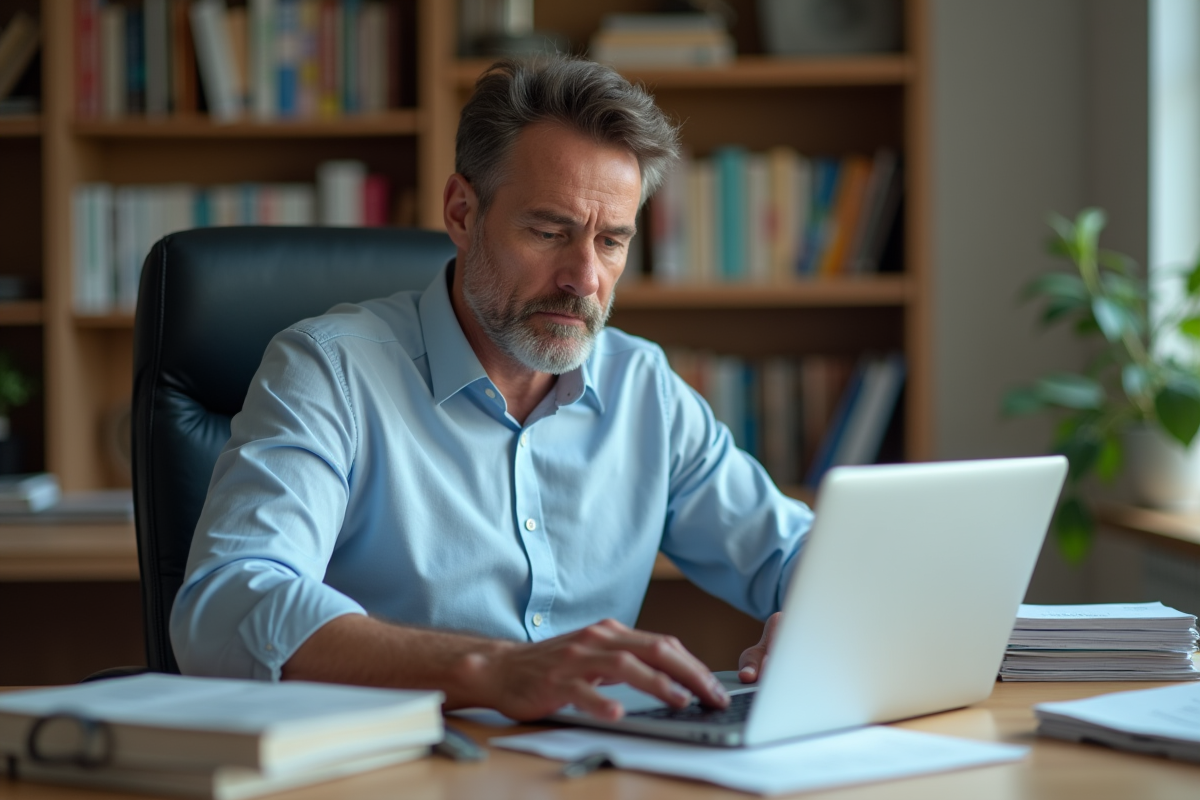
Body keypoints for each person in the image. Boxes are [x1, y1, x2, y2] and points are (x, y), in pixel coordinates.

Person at [171, 56, 813, 722]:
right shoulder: (331, 371)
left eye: (611, 242)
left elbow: (796, 550)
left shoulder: (642, 386)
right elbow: (228, 606)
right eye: (549, 232)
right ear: (461, 212)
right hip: (405, 761)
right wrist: (490, 670)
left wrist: (816, 613)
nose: (584, 278)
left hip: (593, 761)